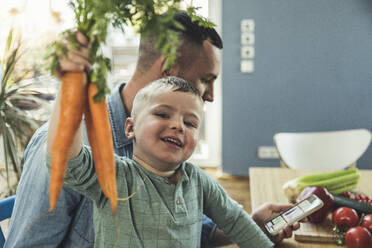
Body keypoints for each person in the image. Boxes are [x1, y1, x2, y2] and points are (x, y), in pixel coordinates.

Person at [5, 11, 299, 248]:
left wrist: (251, 223)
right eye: (205, 80)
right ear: (169, 68)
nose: (210, 95)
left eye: (190, 122)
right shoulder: (74, 143)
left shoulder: (169, 141)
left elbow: (188, 229)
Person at [46, 76, 275, 248]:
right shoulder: (115, 175)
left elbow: (235, 220)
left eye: (190, 123)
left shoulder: (199, 181)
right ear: (130, 128)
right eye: (163, 115)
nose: (178, 126)